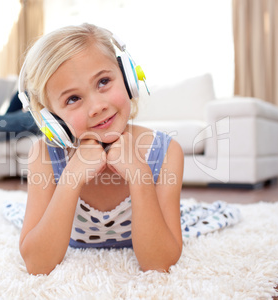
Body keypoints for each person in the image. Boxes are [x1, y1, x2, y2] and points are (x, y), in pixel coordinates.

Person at [15, 23, 185, 275]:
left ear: (128, 78)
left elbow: (159, 263)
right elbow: (37, 265)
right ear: (52, 118)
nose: (96, 107)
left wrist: (140, 176)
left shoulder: (165, 151)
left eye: (103, 81)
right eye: (72, 99)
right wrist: (71, 177)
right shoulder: (44, 155)